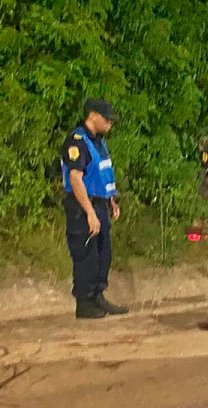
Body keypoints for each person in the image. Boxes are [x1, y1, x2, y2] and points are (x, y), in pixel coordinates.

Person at [61, 99, 129, 319]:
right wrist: (90, 212)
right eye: (107, 119)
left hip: (99, 203)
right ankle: (85, 302)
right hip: (82, 206)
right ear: (93, 116)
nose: (110, 123)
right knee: (86, 253)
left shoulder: (98, 141)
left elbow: (100, 175)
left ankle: (98, 296)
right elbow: (76, 179)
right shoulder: (77, 141)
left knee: (102, 252)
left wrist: (111, 201)